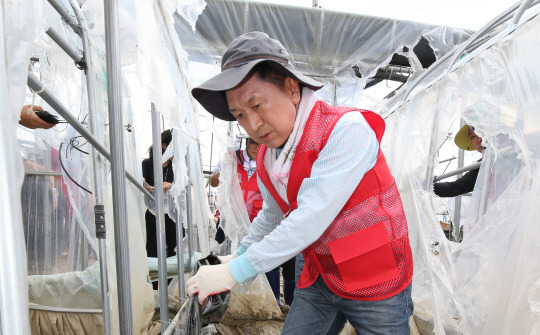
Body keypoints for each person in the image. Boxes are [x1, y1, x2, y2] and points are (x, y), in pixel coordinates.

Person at [187, 31, 414, 334]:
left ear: (292, 89)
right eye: (239, 114)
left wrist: (235, 271)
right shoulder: (269, 155)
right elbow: (271, 215)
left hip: (376, 276)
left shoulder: (346, 130)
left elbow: (310, 217)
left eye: (257, 106)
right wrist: (237, 256)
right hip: (321, 275)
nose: (251, 125)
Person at [210, 137, 295, 306]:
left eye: (263, 144)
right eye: (255, 143)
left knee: (266, 262)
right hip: (230, 223)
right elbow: (213, 181)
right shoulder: (232, 158)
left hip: (260, 221)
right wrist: (226, 170)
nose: (258, 148)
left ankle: (271, 302)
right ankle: (225, 299)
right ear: (246, 142)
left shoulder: (270, 160)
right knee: (227, 256)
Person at [142, 129, 178, 288]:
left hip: (171, 213)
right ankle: (154, 287)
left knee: (174, 247)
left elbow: (183, 187)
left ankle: (168, 283)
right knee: (152, 248)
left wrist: (172, 186)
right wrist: (153, 187)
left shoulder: (176, 167)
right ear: (164, 146)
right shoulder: (148, 164)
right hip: (153, 213)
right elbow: (141, 183)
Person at [434, 124, 483, 197]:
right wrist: (423, 186)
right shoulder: (482, 167)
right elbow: (455, 187)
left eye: (481, 133)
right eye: (473, 137)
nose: (479, 140)